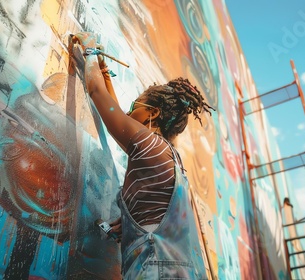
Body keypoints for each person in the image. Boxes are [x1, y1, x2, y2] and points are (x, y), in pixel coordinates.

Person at [72, 32, 213, 279]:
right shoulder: (169, 160)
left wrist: (91, 50)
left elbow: (96, 92)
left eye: (135, 105)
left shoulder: (149, 146)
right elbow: (120, 119)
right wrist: (133, 224)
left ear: (153, 114)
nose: (128, 111)